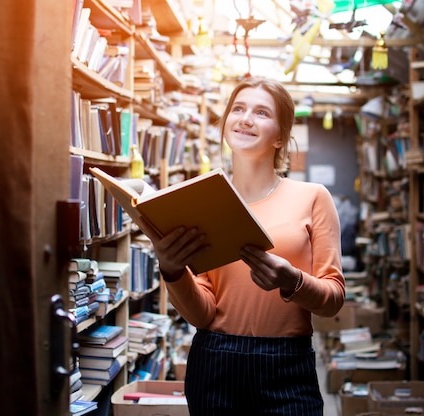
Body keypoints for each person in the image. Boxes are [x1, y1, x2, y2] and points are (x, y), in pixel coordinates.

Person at [139, 76, 345, 415]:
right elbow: (203, 315)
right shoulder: (202, 201)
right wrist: (172, 270)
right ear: (225, 123)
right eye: (238, 108)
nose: (246, 118)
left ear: (280, 136)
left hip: (287, 364)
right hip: (215, 360)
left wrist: (292, 282)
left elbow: (333, 300)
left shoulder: (313, 198)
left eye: (262, 112)